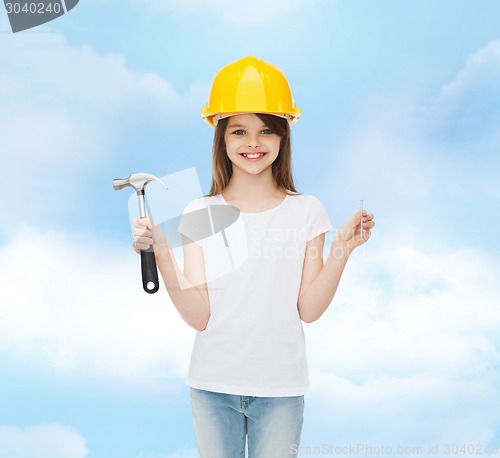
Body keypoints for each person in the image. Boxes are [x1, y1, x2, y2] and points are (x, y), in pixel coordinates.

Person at [131, 56, 375, 458]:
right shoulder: (199, 212)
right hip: (212, 387)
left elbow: (308, 310)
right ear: (222, 138)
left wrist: (342, 251)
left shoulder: (307, 210)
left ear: (283, 136)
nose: (253, 142)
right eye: (239, 130)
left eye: (266, 130)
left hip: (280, 389)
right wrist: (161, 252)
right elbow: (199, 316)